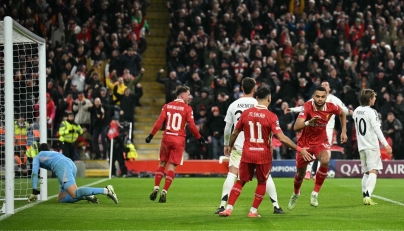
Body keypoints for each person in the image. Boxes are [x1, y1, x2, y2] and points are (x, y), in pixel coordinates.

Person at [218, 86, 312, 217]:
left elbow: (234, 132)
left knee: (240, 181)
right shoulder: (271, 116)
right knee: (262, 182)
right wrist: (299, 149)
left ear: (256, 98)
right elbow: (281, 137)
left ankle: (228, 208)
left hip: (247, 153)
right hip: (263, 155)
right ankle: (253, 211)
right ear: (269, 98)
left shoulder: (246, 113)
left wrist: (229, 145)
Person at [215, 77, 284, 214]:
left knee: (233, 175)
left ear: (242, 88)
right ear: (254, 89)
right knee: (265, 178)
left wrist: (227, 144)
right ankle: (275, 206)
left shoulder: (233, 105)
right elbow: (267, 128)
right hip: (258, 147)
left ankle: (223, 205)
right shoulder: (259, 103)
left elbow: (228, 128)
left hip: (238, 147)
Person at [287, 86, 347, 210]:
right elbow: (296, 127)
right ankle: (296, 193)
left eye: (322, 97)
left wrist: (344, 131)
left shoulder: (331, 107)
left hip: (321, 141)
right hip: (305, 143)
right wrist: (309, 122)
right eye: (317, 96)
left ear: (326, 97)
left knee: (325, 160)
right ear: (313, 97)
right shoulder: (307, 107)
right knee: (300, 174)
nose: (320, 99)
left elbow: (342, 114)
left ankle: (315, 194)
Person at [145, 86, 206, 203]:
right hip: (179, 139)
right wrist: (199, 137)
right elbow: (192, 126)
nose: (189, 96)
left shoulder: (167, 106)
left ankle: (156, 187)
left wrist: (151, 135)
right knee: (172, 166)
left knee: (162, 163)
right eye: (188, 94)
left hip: (166, 137)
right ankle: (164, 191)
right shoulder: (187, 108)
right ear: (182, 96)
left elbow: (159, 122)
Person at [285, 81, 351, 180]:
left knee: (323, 152)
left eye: (326, 85)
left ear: (329, 89)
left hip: (328, 128)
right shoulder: (316, 98)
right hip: (314, 127)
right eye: (322, 85)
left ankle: (316, 173)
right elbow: (304, 108)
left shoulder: (334, 100)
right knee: (312, 147)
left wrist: (350, 112)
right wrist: (293, 109)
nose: (324, 86)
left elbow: (343, 111)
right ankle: (308, 171)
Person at [28, 143, 118, 204]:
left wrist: (34, 191)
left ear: (39, 150)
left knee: (75, 193)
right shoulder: (53, 152)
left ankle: (106, 190)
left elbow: (34, 173)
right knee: (61, 199)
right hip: (70, 163)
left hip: (61, 167)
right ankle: (86, 196)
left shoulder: (38, 156)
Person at [353, 89, 392, 205]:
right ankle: (368, 196)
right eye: (374, 97)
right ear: (370, 99)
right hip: (372, 146)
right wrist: (386, 144)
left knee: (366, 173)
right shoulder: (372, 112)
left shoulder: (356, 111)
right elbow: (376, 129)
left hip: (362, 146)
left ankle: (365, 194)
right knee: (373, 171)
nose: (375, 99)